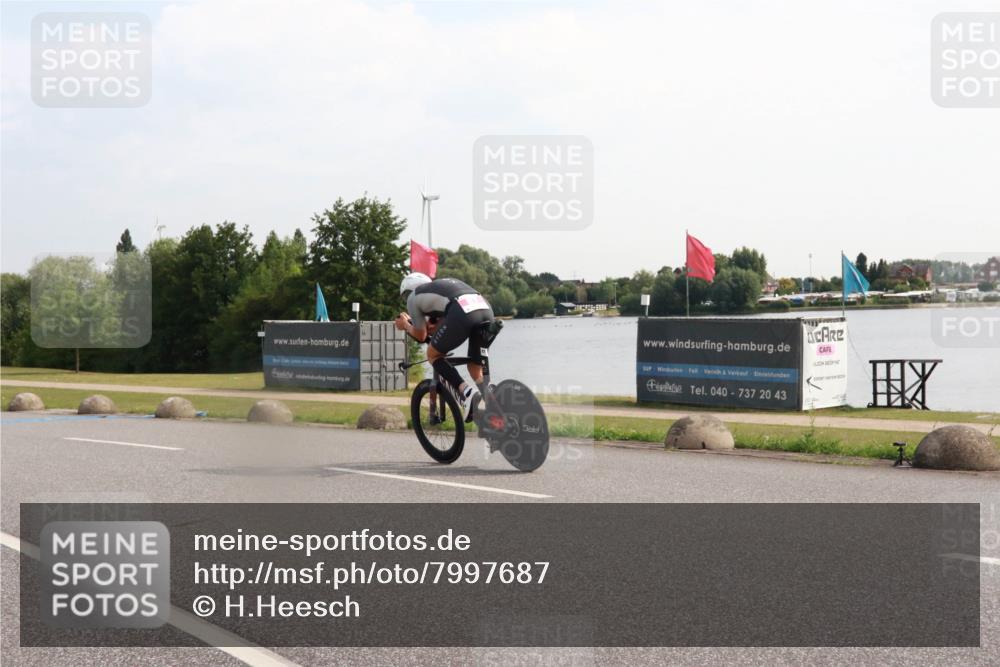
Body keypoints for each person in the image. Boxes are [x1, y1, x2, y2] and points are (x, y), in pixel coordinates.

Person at [395, 273, 494, 421]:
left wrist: (405, 326)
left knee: (433, 355)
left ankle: (467, 393)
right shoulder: (441, 287)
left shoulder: (413, 297)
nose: (407, 300)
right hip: (486, 311)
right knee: (475, 368)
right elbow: (446, 318)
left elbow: (421, 336)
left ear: (412, 288)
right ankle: (497, 408)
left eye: (406, 295)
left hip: (462, 313)